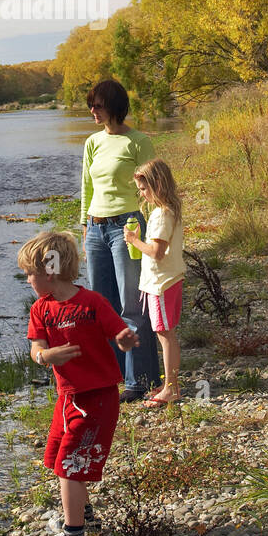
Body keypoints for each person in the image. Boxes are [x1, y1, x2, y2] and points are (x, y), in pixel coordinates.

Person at [19, 229, 138, 536]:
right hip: (67, 398)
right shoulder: (40, 309)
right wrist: (45, 356)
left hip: (96, 398)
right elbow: (36, 347)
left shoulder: (92, 302)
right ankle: (84, 517)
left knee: (72, 466)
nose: (27, 279)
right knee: (58, 458)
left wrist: (126, 339)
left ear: (50, 270)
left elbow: (119, 332)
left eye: (30, 273)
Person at [81, 78, 161, 401]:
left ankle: (139, 379)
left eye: (97, 105)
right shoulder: (91, 143)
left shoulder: (138, 141)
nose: (92, 111)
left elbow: (154, 189)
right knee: (101, 307)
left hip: (127, 228)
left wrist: (155, 230)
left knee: (132, 306)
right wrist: (84, 226)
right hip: (95, 229)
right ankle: (109, 374)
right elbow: (87, 187)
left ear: (113, 106)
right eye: (90, 105)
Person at [124, 159, 186, 407]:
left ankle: (171, 388)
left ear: (157, 184)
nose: (142, 193)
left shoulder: (161, 214)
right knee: (166, 333)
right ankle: (171, 384)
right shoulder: (170, 209)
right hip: (169, 279)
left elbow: (157, 252)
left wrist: (133, 241)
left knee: (165, 334)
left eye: (143, 188)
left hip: (161, 283)